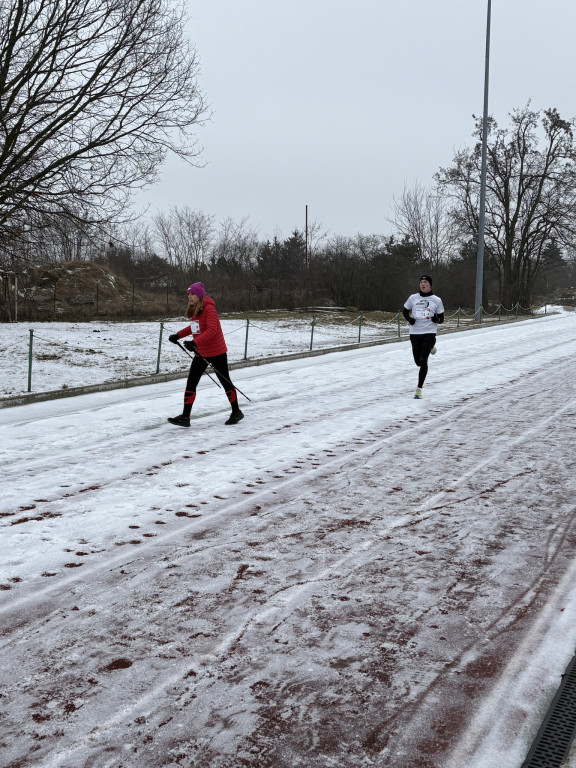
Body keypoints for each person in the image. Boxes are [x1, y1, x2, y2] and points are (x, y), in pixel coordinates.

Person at [167, 282, 244, 426]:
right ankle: (185, 417)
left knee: (225, 382)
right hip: (201, 353)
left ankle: (237, 412)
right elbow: (194, 328)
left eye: (193, 294)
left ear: (200, 296)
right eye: (188, 294)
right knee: (191, 382)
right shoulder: (195, 310)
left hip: (217, 352)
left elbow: (211, 330)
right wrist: (177, 335)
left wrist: (195, 343)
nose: (190, 296)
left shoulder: (209, 310)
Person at [402, 275, 444, 399]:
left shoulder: (436, 300)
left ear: (430, 284)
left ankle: (419, 389)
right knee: (418, 362)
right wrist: (410, 319)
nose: (423, 284)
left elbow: (441, 319)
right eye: (421, 282)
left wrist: (436, 319)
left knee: (424, 359)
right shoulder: (413, 298)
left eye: (425, 282)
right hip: (415, 333)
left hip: (429, 332)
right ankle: (431, 348)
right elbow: (404, 311)